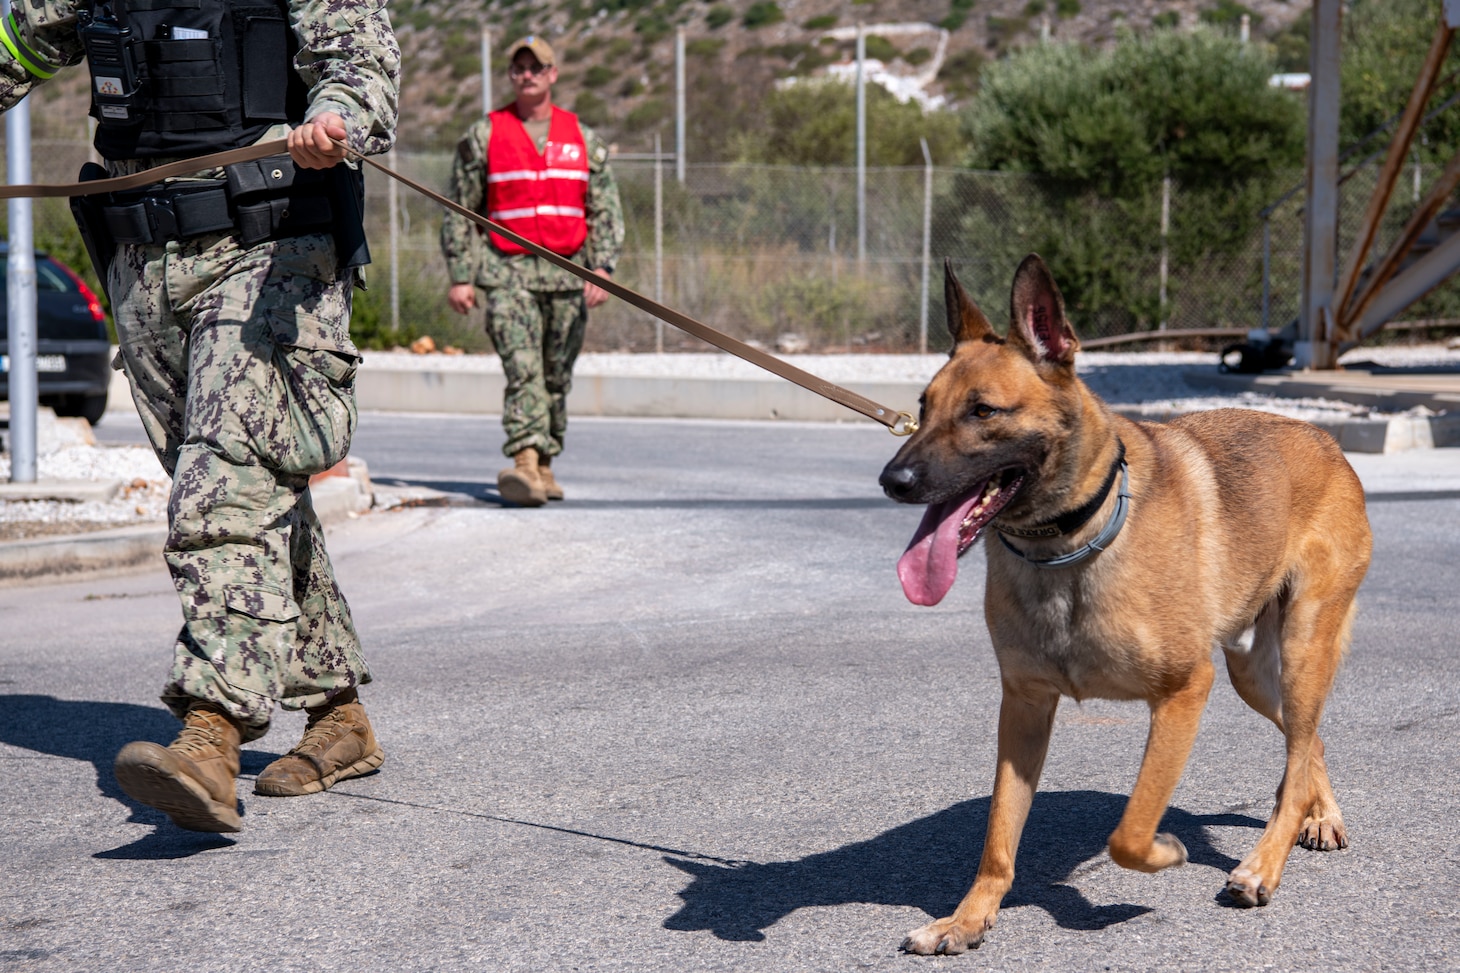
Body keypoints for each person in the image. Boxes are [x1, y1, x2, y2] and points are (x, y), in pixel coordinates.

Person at [0, 0, 400, 832]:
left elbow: (361, 63)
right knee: (248, 489)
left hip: (272, 248)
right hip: (143, 260)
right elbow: (18, 43)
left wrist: (336, 114)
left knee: (220, 487)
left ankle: (211, 732)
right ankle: (337, 711)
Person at [440, 35, 624, 508]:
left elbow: (604, 209)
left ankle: (545, 463)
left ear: (553, 74)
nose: (528, 75)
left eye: (536, 68)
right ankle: (524, 462)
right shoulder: (485, 134)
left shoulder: (582, 137)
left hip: (566, 276)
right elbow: (461, 208)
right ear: (511, 76)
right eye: (519, 68)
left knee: (556, 375)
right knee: (523, 371)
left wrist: (602, 266)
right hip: (508, 274)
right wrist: (462, 274)